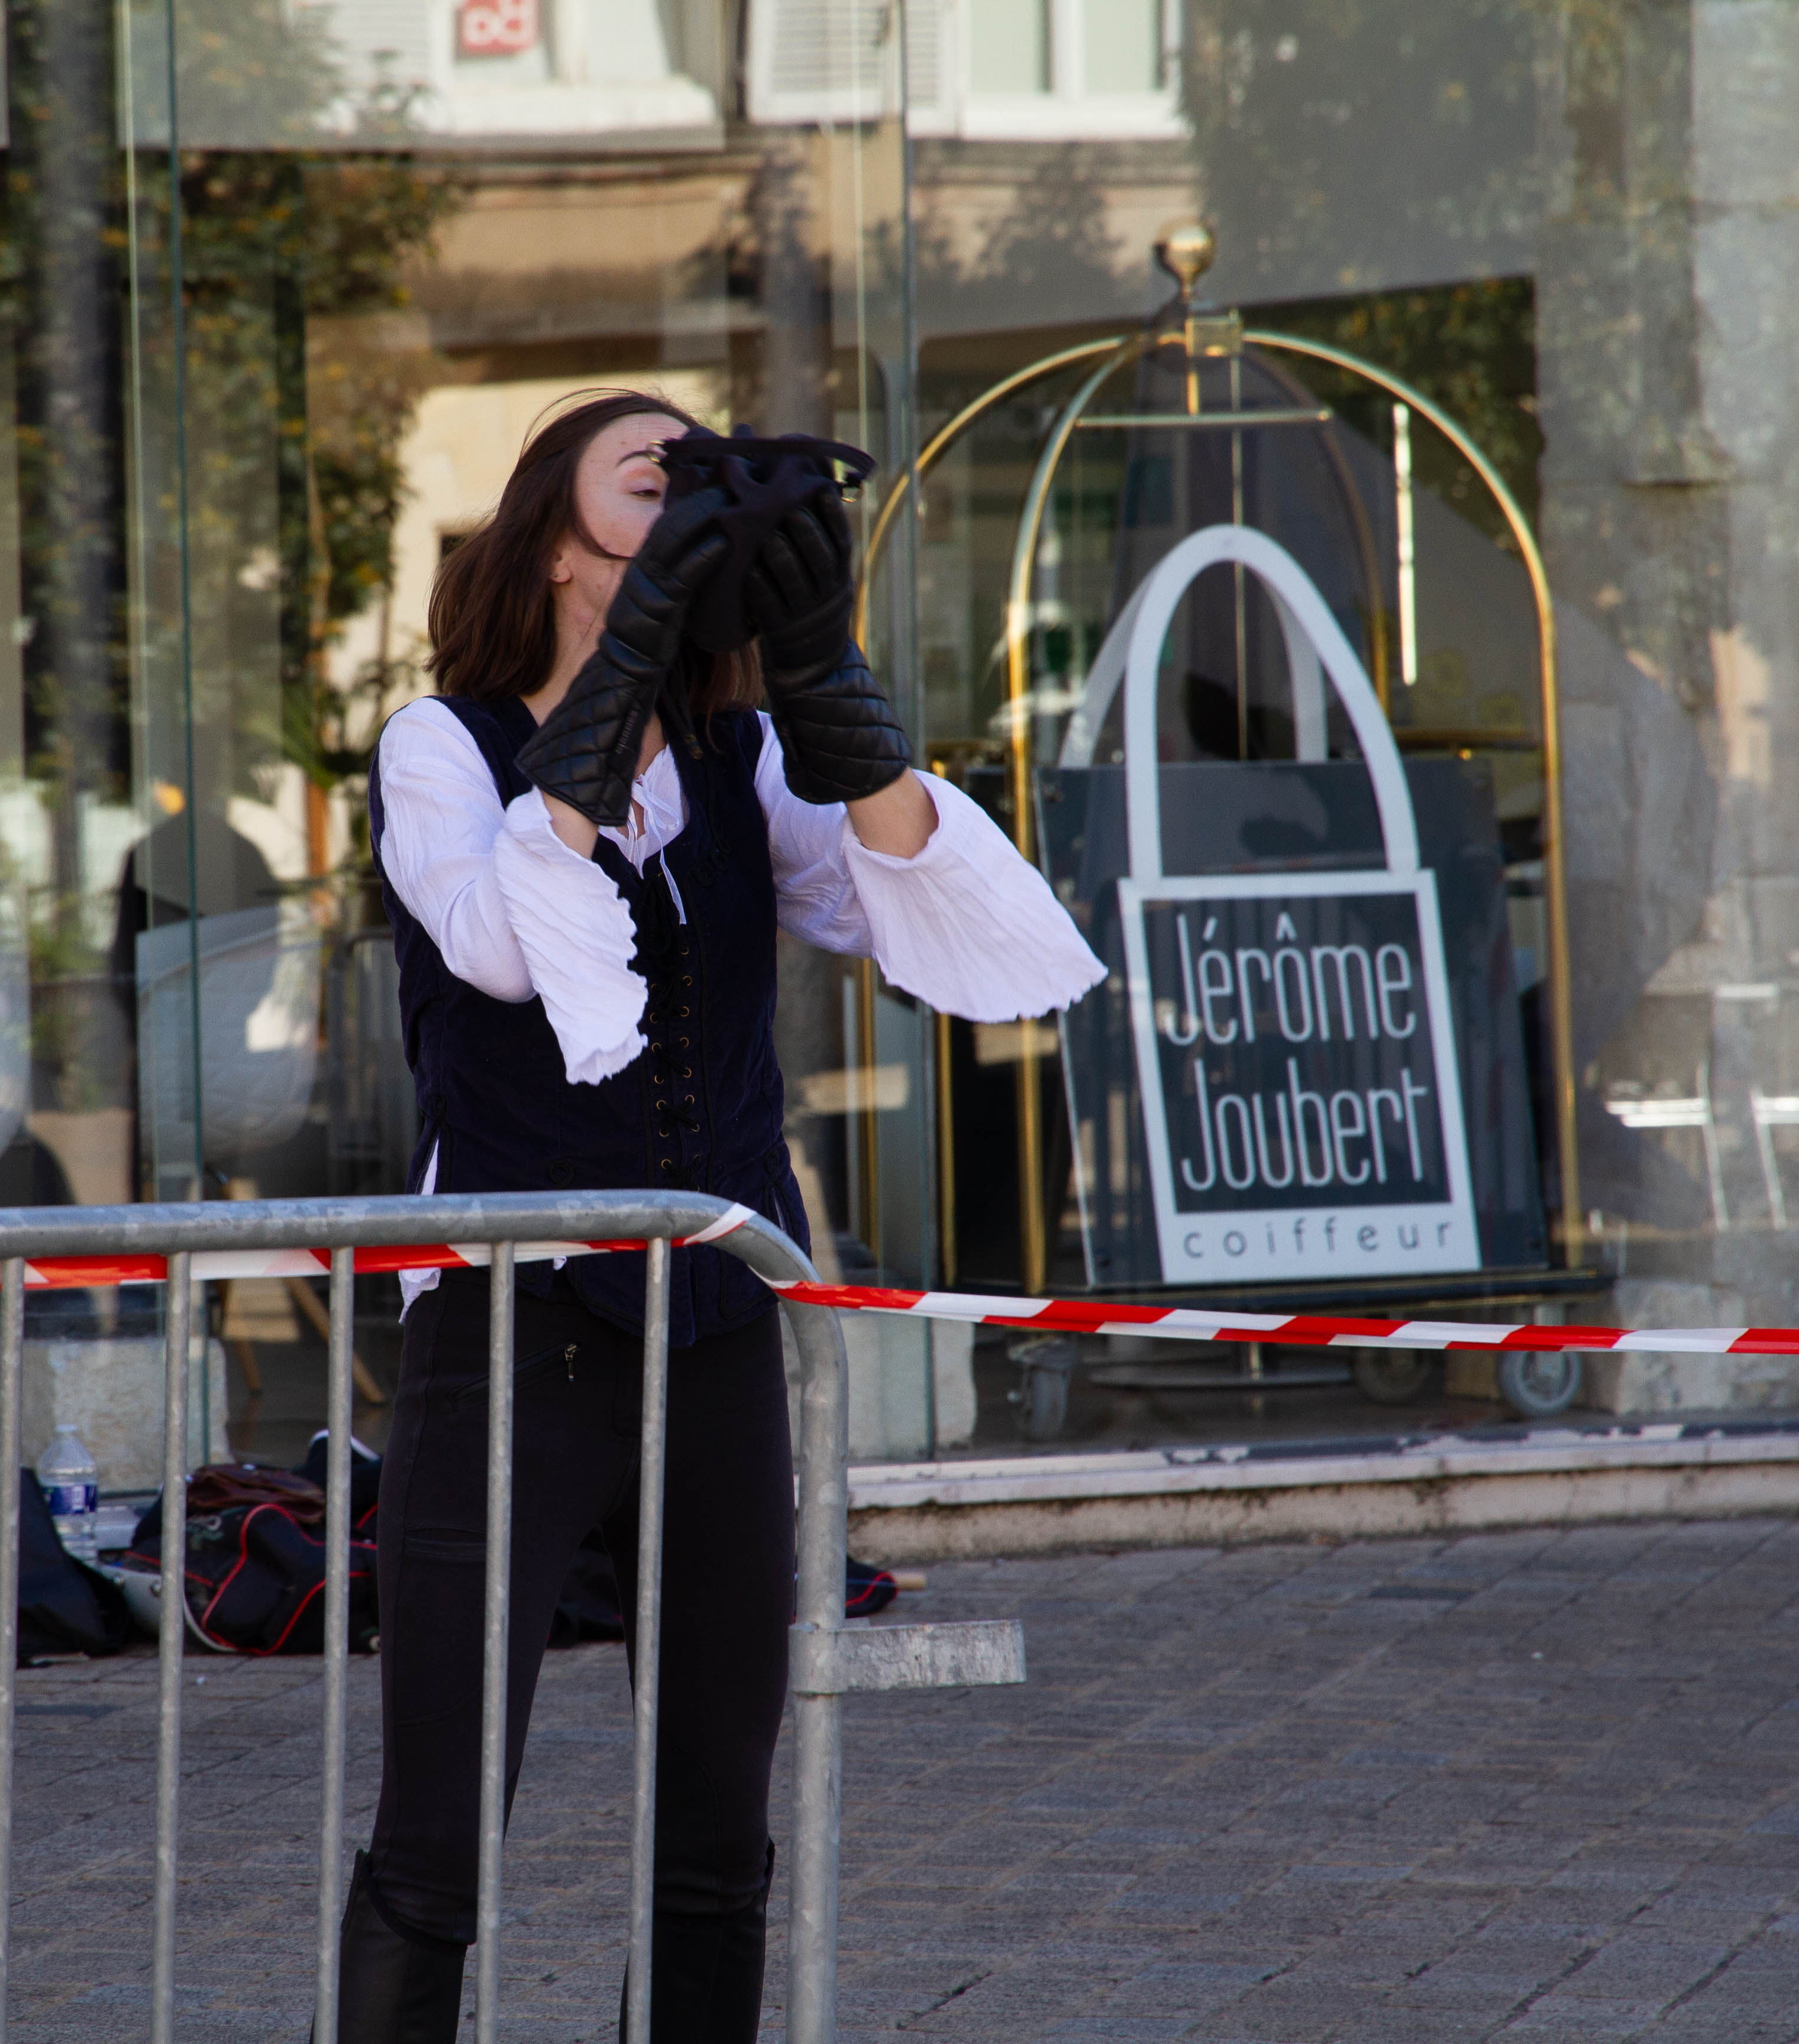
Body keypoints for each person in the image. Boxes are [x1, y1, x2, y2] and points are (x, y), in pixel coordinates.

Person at [343, 389, 1103, 2042]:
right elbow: (499, 949)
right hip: (510, 1336)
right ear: (560, 546)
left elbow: (920, 910)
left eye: (715, 486)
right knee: (441, 1832)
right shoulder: (440, 747)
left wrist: (826, 683)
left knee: (714, 1831)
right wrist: (620, 679)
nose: (698, 505)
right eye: (657, 482)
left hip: (720, 1327)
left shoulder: (741, 755)